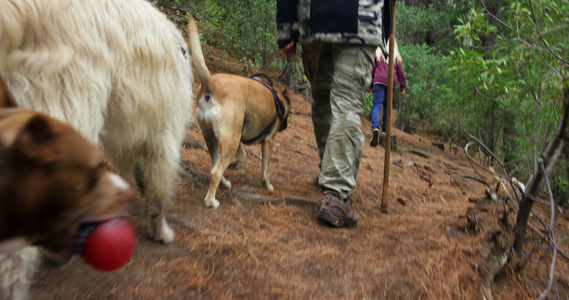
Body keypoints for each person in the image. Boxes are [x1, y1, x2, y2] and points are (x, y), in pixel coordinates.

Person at [277, 0, 389, 228]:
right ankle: (336, 193)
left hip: (313, 18)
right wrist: (384, 38)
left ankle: (329, 169)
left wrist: (285, 28)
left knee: (322, 97)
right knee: (345, 102)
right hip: (361, 19)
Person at [369, 39, 406, 147]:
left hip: (379, 81)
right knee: (387, 106)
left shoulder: (378, 52)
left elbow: (372, 69)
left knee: (377, 105)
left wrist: (370, 84)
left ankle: (376, 127)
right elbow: (401, 72)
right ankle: (385, 128)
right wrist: (403, 87)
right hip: (391, 82)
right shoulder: (395, 55)